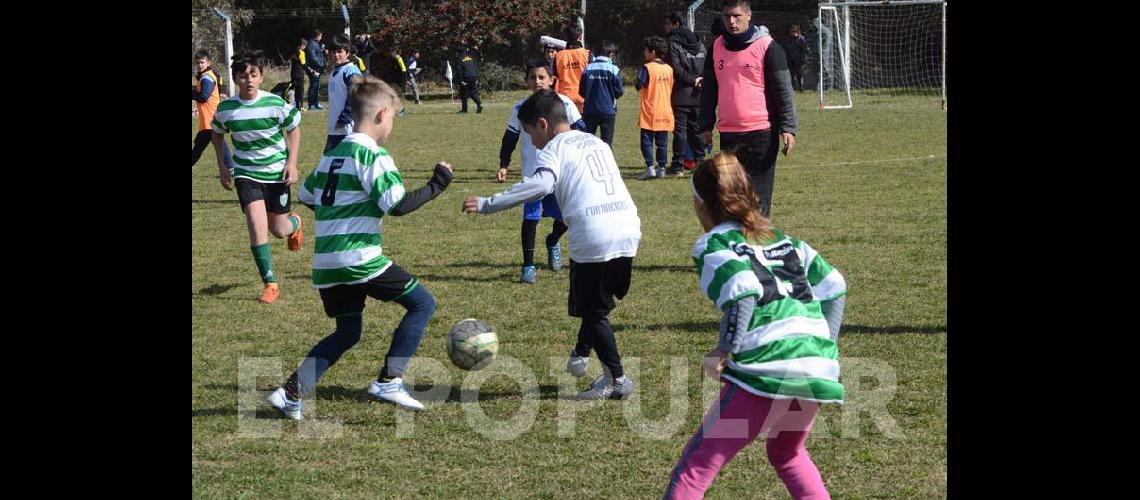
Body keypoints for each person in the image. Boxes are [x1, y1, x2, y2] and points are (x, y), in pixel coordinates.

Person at [267, 76, 455, 419]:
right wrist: (437, 184)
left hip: (326, 263)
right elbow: (397, 204)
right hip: (359, 258)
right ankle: (390, 380)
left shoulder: (332, 155)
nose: (392, 125)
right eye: (394, 117)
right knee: (422, 303)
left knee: (348, 330)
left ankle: (289, 393)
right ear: (382, 114)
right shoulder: (373, 154)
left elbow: (308, 196)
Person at [663, 152, 846, 499]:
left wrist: (724, 348)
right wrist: (826, 347)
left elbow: (744, 291)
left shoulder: (712, 244)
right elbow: (835, 287)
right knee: (787, 452)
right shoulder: (784, 239)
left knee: (697, 466)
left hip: (767, 370)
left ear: (701, 205)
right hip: (816, 368)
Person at [463, 91, 640, 400]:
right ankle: (582, 353)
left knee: (594, 311)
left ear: (543, 124)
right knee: (597, 303)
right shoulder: (595, 141)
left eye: (530, 133)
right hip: (627, 227)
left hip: (594, 234)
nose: (531, 142)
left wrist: (489, 203)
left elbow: (542, 185)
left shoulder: (554, 148)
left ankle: (618, 381)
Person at [209, 51, 304, 304]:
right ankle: (270, 283)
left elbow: (294, 128)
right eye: (243, 76)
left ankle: (295, 224)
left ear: (261, 77)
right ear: (236, 78)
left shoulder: (274, 103)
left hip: (276, 174)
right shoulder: (227, 109)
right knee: (255, 223)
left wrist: (291, 163)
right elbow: (216, 133)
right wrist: (222, 165)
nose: (248, 80)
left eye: (253, 74)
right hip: (246, 174)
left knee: (279, 230)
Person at [698, 0, 798, 217]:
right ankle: (739, 247)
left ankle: (758, 245)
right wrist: (705, 125)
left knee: (758, 201)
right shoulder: (715, 47)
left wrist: (788, 128)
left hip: (761, 133)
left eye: (737, 16)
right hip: (729, 134)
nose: (732, 22)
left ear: (749, 15)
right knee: (731, 198)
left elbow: (784, 91)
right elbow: (708, 91)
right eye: (727, 16)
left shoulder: (768, 47)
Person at [496, 59, 586, 284]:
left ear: (552, 79)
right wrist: (504, 164)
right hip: (534, 175)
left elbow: (580, 132)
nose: (537, 81)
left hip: (563, 174)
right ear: (526, 81)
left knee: (567, 216)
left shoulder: (565, 103)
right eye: (533, 77)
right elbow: (510, 137)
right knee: (530, 219)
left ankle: (553, 240)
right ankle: (528, 266)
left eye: (542, 77)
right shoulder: (520, 108)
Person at [664, 11, 707, 178]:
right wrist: (699, 79)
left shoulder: (673, 44)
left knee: (680, 131)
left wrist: (691, 80)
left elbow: (676, 70)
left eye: (668, 24)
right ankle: (701, 161)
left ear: (677, 24)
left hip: (682, 93)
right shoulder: (700, 43)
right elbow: (705, 66)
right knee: (696, 130)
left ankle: (677, 166)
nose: (665, 27)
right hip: (699, 93)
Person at [635, 36, 674, 181]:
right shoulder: (669, 69)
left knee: (646, 141)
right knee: (662, 142)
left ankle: (650, 167)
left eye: (646, 50)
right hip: (665, 110)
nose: (644, 53)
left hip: (650, 110)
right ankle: (662, 168)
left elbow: (639, 85)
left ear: (652, 52)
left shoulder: (647, 68)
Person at [191, 50, 234, 171]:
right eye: (198, 63)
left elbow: (203, 96)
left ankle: (231, 168)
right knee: (201, 144)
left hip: (211, 117)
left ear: (208, 62)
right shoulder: (206, 75)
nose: (199, 65)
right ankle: (231, 168)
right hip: (208, 118)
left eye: (202, 62)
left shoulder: (207, 77)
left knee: (216, 143)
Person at [579, 40, 623, 147]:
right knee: (607, 143)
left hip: (589, 110)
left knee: (587, 142)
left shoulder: (587, 68)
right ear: (611, 54)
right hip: (608, 111)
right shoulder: (614, 69)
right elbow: (619, 91)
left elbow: (581, 91)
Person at [326, 34, 364, 153]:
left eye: (339, 51)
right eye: (333, 52)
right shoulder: (334, 72)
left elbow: (356, 97)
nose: (336, 55)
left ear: (347, 53)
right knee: (328, 164)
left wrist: (344, 119)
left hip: (347, 129)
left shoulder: (351, 71)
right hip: (334, 129)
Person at [553, 25, 590, 114]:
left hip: (564, 98)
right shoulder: (587, 54)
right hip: (583, 98)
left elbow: (554, 78)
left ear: (566, 36)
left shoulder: (558, 56)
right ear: (580, 36)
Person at [457, 48, 483, 113]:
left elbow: (459, 71)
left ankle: (464, 110)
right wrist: (477, 78)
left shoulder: (460, 59)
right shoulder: (472, 58)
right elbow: (476, 68)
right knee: (472, 92)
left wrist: (460, 80)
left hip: (466, 78)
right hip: (474, 77)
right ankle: (479, 103)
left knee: (464, 94)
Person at [305, 29, 327, 110]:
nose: (321, 38)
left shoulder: (316, 43)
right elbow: (312, 57)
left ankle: (316, 103)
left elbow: (318, 54)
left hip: (318, 68)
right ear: (317, 35)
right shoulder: (311, 44)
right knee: (313, 86)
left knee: (317, 86)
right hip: (314, 68)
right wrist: (320, 64)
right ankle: (311, 105)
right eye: (320, 36)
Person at [287, 37, 307, 107]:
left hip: (293, 73)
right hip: (300, 74)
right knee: (300, 91)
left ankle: (292, 104)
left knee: (292, 89)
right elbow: (303, 64)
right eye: (305, 46)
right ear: (302, 45)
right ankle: (300, 106)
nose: (305, 47)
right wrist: (310, 71)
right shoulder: (302, 53)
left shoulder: (293, 52)